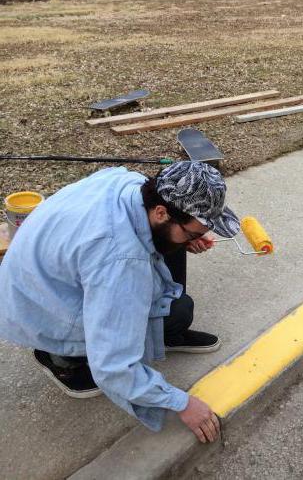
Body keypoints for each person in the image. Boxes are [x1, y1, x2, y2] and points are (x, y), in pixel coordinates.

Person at [0, 161, 242, 443]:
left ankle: (165, 330)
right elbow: (114, 367)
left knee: (171, 246)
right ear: (162, 212)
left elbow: (156, 234)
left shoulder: (130, 183)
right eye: (196, 232)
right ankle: (61, 356)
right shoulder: (120, 263)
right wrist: (182, 403)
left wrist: (187, 237)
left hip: (36, 275)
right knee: (177, 312)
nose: (201, 238)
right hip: (37, 309)